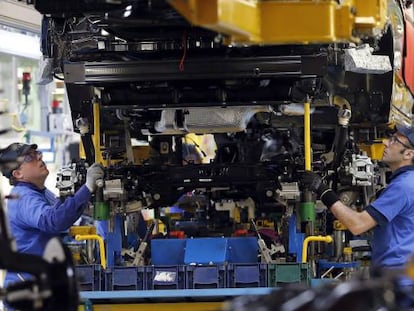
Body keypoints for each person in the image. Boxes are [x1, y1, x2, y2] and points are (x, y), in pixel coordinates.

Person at [301, 124, 414, 269]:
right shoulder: (407, 182)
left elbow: (357, 225)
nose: (386, 142)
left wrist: (322, 190)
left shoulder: (404, 187)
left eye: (394, 140)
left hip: (398, 279)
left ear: (409, 154)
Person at [0, 143, 104, 288]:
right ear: (18, 174)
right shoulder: (23, 197)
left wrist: (83, 193)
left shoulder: (40, 192)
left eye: (37, 153)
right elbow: (52, 221)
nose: (39, 157)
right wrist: (87, 188)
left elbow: (61, 213)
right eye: (30, 158)